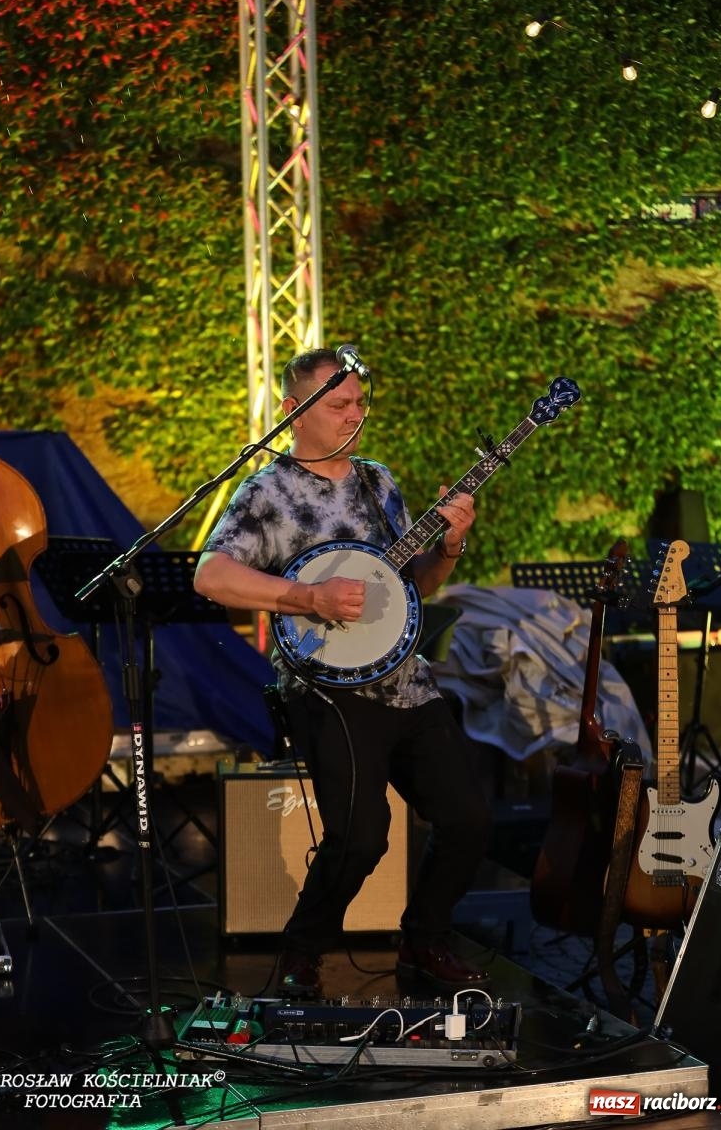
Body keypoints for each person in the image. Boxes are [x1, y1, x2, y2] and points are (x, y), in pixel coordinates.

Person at [194, 347, 491, 997]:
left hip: (406, 682)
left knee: (469, 816)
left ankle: (426, 939)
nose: (355, 415)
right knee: (360, 840)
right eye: (338, 405)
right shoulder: (265, 492)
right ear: (292, 411)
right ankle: (304, 949)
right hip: (325, 688)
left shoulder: (378, 482)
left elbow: (415, 588)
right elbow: (210, 575)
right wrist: (307, 598)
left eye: (359, 403)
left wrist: (450, 544)